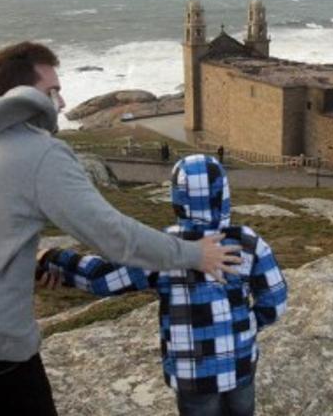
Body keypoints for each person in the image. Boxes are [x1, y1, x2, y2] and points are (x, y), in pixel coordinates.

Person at [0, 42, 242, 416]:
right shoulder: (42, 153)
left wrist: (32, 260)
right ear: (25, 96)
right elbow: (114, 237)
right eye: (52, 91)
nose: (61, 102)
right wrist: (194, 253)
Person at [38, 154, 287, 416]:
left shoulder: (163, 248)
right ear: (223, 193)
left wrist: (53, 258)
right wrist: (249, 326)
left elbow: (102, 279)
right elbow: (275, 298)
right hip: (241, 363)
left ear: (178, 197)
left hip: (191, 372)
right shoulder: (247, 242)